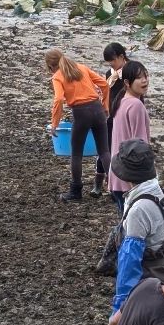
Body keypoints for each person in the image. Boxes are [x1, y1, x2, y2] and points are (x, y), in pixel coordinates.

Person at [110, 141, 164, 315]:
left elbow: (130, 263)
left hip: (147, 284)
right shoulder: (160, 194)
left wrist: (121, 307)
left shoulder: (139, 209)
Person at [45, 49, 110, 201]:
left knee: (76, 154)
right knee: (104, 151)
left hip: (81, 113)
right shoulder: (81, 67)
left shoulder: (57, 77)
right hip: (97, 109)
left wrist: (55, 123)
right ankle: (116, 188)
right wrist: (105, 105)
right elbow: (105, 85)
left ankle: (76, 191)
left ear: (50, 66)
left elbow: (59, 99)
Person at [107, 61, 151, 213]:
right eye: (139, 77)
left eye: (146, 75)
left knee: (126, 226)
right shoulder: (136, 105)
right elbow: (140, 148)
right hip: (130, 180)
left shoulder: (121, 101)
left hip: (117, 174)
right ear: (126, 82)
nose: (144, 80)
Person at [102, 43, 130, 110]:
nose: (110, 63)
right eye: (109, 61)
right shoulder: (109, 74)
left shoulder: (131, 72)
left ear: (121, 57)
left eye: (113, 60)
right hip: (113, 110)